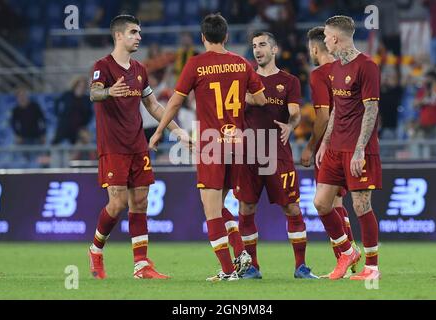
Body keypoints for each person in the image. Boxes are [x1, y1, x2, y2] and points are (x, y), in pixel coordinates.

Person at [149, 13, 267, 281]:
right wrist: (236, 96)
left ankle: (228, 271)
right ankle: (241, 253)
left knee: (211, 210)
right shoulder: (241, 63)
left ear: (203, 38)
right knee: (222, 205)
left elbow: (176, 102)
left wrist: (158, 131)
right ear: (226, 36)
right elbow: (260, 99)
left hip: (211, 144)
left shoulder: (196, 65)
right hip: (236, 142)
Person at [88, 14, 186, 280]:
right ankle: (96, 250)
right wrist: (109, 92)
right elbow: (94, 92)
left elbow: (153, 105)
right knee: (118, 203)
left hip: (137, 145)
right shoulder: (103, 66)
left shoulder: (140, 70)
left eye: (139, 32)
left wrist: (176, 130)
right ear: (119, 35)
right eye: (133, 32)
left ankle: (141, 265)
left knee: (140, 202)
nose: (139, 37)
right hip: (113, 146)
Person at [233, 31, 318, 280]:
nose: (257, 50)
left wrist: (291, 124)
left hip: (278, 152)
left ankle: (301, 266)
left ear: (274, 50)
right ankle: (252, 267)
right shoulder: (242, 81)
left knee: (291, 207)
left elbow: (295, 112)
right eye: (254, 46)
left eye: (262, 45)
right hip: (248, 153)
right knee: (246, 207)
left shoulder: (289, 81)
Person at [314, 15, 382, 280]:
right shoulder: (335, 69)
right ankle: (347, 250)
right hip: (335, 149)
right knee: (321, 203)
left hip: (357, 149)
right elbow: (336, 110)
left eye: (326, 37)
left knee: (361, 206)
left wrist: (360, 149)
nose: (324, 42)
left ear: (335, 38)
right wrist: (326, 142)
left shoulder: (367, 66)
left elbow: (371, 108)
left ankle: (373, 268)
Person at [302, 26, 360, 278]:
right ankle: (349, 262)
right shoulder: (345, 69)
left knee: (324, 203)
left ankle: (345, 255)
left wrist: (311, 145)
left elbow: (323, 116)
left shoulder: (318, 75)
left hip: (331, 146)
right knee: (338, 202)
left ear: (315, 48)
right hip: (352, 142)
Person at [52, 76, 93, 145]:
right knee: (55, 143)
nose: (81, 88)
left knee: (85, 141)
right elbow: (57, 103)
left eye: (83, 86)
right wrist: (59, 115)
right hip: (65, 125)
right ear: (75, 85)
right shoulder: (67, 95)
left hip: (78, 127)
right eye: (79, 86)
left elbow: (89, 113)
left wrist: (84, 124)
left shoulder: (86, 99)